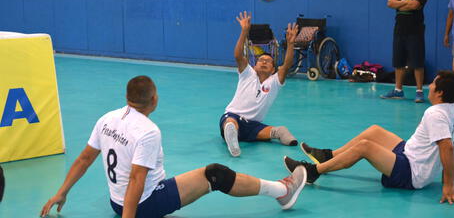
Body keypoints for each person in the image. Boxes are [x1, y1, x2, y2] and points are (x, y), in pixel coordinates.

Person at [40, 76, 307, 218]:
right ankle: (283, 191)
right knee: (215, 174)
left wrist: (61, 193)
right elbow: (136, 180)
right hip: (143, 204)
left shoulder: (106, 118)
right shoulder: (148, 131)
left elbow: (84, 159)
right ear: (154, 99)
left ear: (127, 98)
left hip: (116, 203)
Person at [284, 71, 454, 204]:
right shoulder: (452, 113)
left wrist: (448, 184)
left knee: (365, 146)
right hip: (411, 155)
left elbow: (447, 147)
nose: (430, 86)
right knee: (375, 131)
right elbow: (446, 148)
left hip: (411, 172)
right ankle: (329, 155)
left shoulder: (435, 114)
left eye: (433, 83)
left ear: (440, 92)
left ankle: (313, 171)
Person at [219, 11, 299, 157]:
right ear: (254, 66)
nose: (263, 62)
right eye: (261, 60)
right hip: (234, 116)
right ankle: (233, 142)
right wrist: (244, 32)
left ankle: (277, 134)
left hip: (254, 125)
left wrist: (291, 43)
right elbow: (238, 55)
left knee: (278, 131)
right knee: (230, 124)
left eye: (268, 61)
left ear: (273, 69)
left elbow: (287, 65)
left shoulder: (274, 81)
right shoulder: (247, 73)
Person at [381, 0, 429, 103]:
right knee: (398, 61)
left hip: (415, 29)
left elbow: (415, 5)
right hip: (399, 28)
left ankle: (419, 91)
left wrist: (399, 4)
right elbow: (389, 3)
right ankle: (398, 90)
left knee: (417, 61)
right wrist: (404, 3)